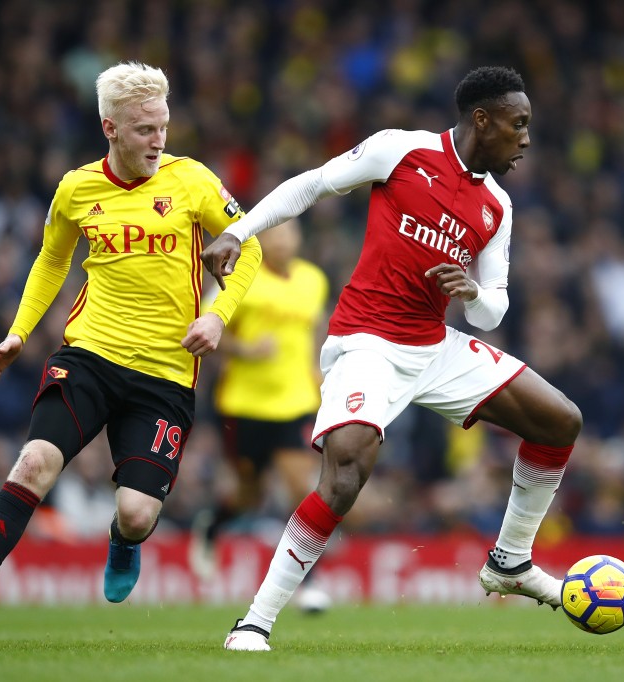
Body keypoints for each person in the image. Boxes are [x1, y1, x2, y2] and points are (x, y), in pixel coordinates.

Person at [202, 66, 582, 651]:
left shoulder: (498, 208)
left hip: (434, 346)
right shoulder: (401, 152)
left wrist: (473, 293)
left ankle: (510, 561)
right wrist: (241, 230)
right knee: (347, 470)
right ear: (483, 119)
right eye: (519, 124)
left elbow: (493, 312)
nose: (526, 138)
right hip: (368, 343)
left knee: (559, 420)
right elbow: (311, 185)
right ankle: (254, 622)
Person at [0, 61, 262, 645]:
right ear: (111, 128)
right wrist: (19, 333)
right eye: (145, 129)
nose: (159, 140)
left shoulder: (194, 181)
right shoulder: (78, 188)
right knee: (33, 465)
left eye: (163, 126)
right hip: (89, 356)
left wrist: (217, 316)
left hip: (166, 373)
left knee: (136, 513)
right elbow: (52, 260)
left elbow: (247, 247)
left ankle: (123, 541)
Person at [190, 219, 332, 611]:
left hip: (296, 402)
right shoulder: (240, 278)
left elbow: (316, 329)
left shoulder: (313, 280)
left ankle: (309, 582)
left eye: (290, 233)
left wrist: (318, 369)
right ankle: (213, 525)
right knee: (248, 495)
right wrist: (246, 351)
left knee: (298, 487)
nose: (284, 240)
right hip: (244, 404)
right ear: (263, 239)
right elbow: (205, 327)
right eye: (277, 233)